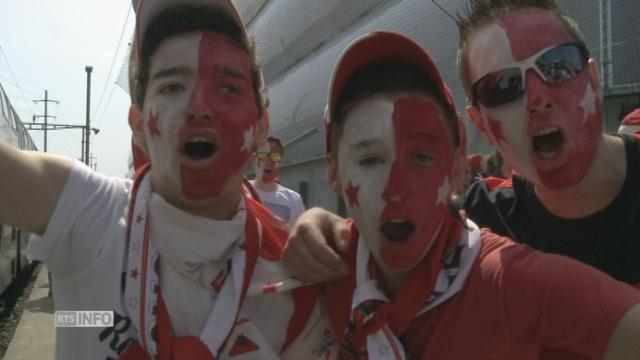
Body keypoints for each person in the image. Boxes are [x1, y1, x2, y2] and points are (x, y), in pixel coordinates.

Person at [2, 0, 334, 358]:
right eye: (172, 87)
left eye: (228, 88)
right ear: (138, 125)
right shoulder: (91, 213)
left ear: (261, 126)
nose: (199, 105)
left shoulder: (295, 281)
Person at [319, 30, 640, 359]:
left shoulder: (515, 284)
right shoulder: (315, 274)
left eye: (422, 158)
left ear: (459, 166)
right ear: (334, 171)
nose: (396, 190)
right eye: (370, 160)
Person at [284, 0, 640, 289]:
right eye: (503, 86)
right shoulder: (476, 225)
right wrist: (320, 228)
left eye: (557, 65)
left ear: (593, 78)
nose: (537, 98)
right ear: (482, 124)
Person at [251, 136, 306, 228]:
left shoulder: (293, 200)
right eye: (262, 155)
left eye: (275, 156)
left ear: (281, 162)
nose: (268, 161)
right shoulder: (241, 191)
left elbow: (298, 237)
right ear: (253, 159)